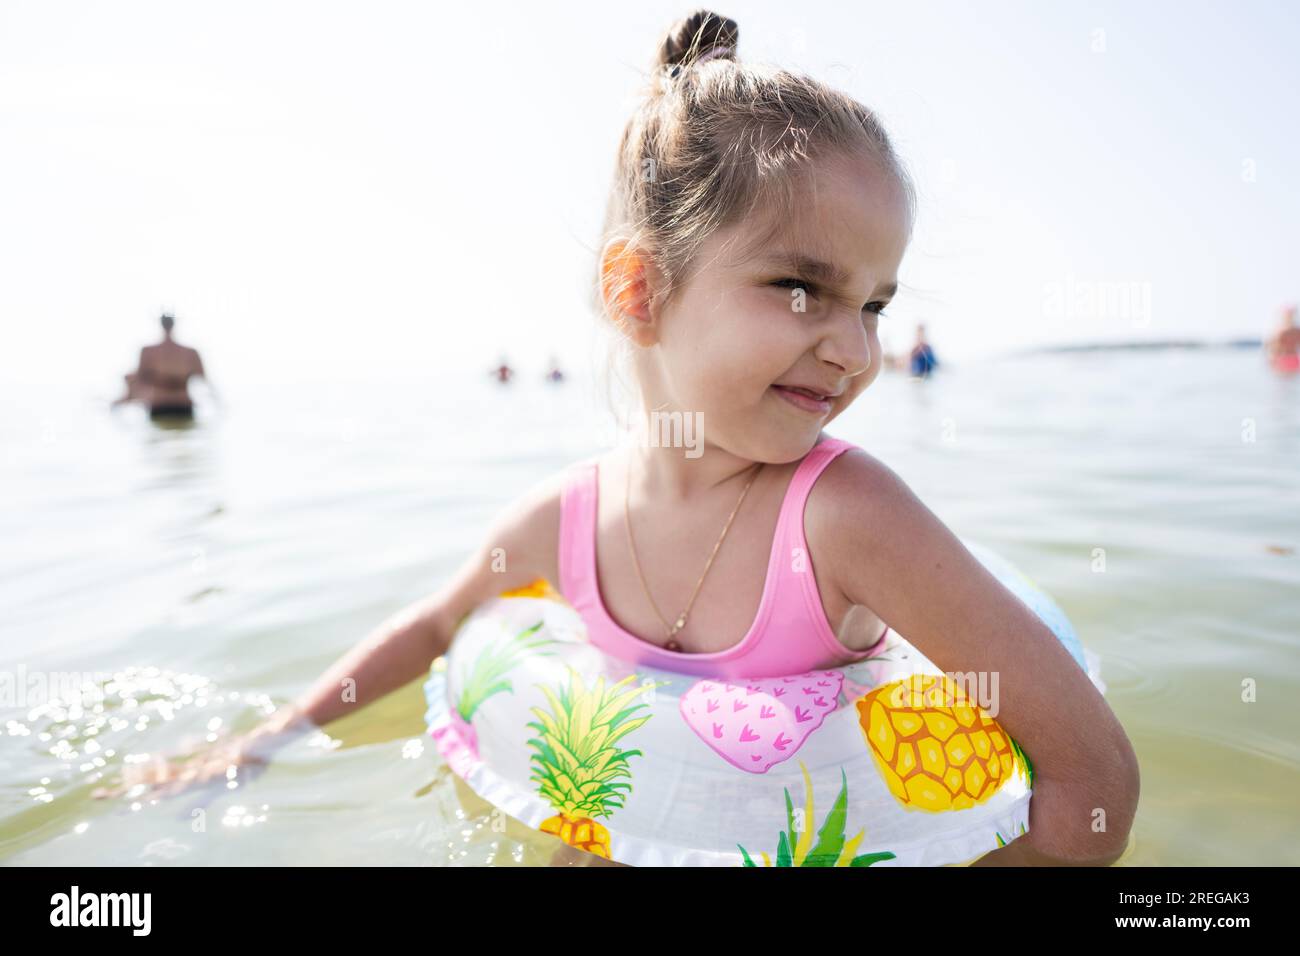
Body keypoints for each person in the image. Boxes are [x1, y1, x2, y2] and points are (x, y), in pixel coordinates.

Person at [94, 10, 1138, 868]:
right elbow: (433, 625)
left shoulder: (847, 517)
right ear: (637, 289)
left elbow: (1093, 780)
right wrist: (262, 743)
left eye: (873, 302)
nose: (853, 347)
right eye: (801, 286)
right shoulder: (567, 517)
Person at [111, 312, 216, 420]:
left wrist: (124, 397)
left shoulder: (148, 352)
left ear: (160, 325)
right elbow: (205, 381)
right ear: (174, 324)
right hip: (184, 406)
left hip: (159, 406)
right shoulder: (190, 353)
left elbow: (138, 380)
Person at [1265, 303, 1300, 374]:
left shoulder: (1296, 331)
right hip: (1282, 361)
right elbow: (1270, 350)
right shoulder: (1279, 332)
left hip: (1291, 360)